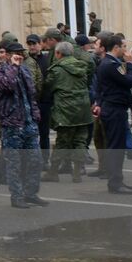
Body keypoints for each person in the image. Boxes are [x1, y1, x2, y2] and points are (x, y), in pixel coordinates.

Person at [0, 42, 46, 208]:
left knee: (35, 160)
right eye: (16, 54)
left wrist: (35, 114)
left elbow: (32, 93)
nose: (19, 56)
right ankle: (17, 196)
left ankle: (31, 193)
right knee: (14, 163)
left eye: (21, 53)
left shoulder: (25, 70)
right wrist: (14, 67)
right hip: (12, 123)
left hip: (28, 122)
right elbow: (8, 85)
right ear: (8, 55)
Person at [43, 41, 94, 183]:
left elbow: (47, 88)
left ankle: (53, 172)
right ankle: (77, 173)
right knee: (80, 141)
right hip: (83, 109)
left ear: (58, 53)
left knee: (62, 142)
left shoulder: (56, 70)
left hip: (65, 110)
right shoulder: (82, 66)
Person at [95, 33, 132, 194]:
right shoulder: (110, 64)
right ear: (116, 47)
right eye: (123, 47)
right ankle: (115, 182)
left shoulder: (109, 62)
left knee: (117, 145)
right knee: (116, 147)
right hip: (114, 109)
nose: (125, 50)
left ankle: (117, 179)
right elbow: (128, 81)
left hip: (113, 107)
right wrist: (130, 64)